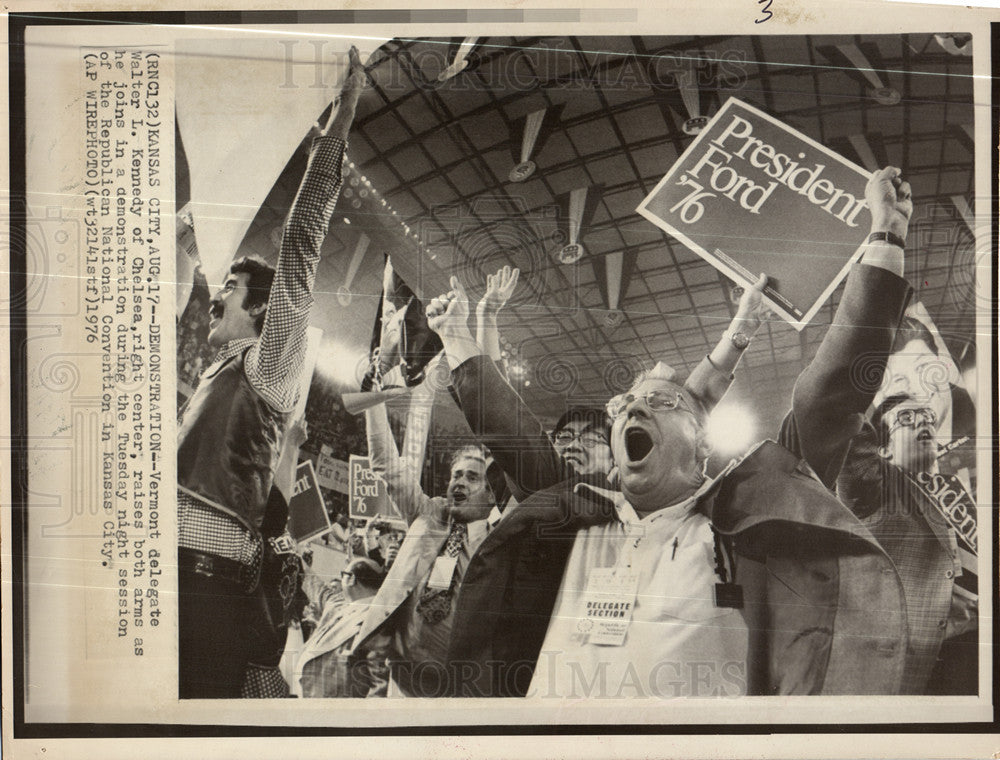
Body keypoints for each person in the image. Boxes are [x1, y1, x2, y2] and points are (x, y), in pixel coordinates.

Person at [423, 233, 909, 697]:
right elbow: (508, 427)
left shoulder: (755, 522)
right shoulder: (573, 514)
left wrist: (885, 238)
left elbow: (831, 394)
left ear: (702, 445)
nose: (634, 409)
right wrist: (455, 335)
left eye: (658, 402)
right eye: (626, 405)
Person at [175, 47, 366, 698]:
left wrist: (338, 126)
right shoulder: (221, 370)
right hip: (174, 576)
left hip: (202, 588)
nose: (215, 295)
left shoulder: (269, 365)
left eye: (228, 286)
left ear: (261, 307)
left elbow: (302, 244)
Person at [783, 166, 977, 695]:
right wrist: (886, 235)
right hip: (907, 684)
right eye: (904, 418)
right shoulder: (871, 486)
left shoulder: (970, 498)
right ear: (880, 444)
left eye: (924, 415)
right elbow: (827, 401)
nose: (921, 423)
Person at [352, 401, 506, 696]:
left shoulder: (499, 543)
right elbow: (388, 465)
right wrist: (373, 399)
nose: (459, 482)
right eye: (456, 475)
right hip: (399, 677)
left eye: (472, 477)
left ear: (491, 495)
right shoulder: (428, 515)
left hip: (457, 690)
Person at [297, 558, 391, 698]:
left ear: (350, 579)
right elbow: (316, 586)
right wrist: (296, 557)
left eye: (343, 575)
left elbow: (380, 686)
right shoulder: (340, 605)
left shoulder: (377, 621)